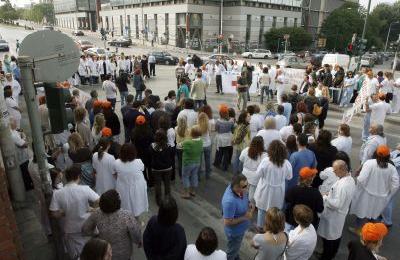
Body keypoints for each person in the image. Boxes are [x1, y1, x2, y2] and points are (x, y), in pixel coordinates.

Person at [49, 166, 100, 259]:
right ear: (78, 176)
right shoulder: (85, 189)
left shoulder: (58, 193)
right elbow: (99, 200)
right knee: (93, 250)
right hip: (87, 224)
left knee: (78, 254)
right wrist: (93, 209)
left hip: (71, 228)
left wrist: (66, 212)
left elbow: (54, 213)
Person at [349, 145, 399, 233]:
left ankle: (360, 231)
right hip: (381, 197)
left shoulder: (369, 163)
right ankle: (370, 232)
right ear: (388, 156)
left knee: (362, 213)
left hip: (366, 195)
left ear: (376, 154)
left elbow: (361, 179)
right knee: (373, 215)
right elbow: (396, 184)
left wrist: (359, 187)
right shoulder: (392, 168)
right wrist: (388, 193)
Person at [82, 189, 142, 260]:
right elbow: (135, 232)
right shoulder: (126, 215)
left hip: (104, 252)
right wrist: (138, 241)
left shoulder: (97, 213)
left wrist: (96, 234)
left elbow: (85, 229)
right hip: (124, 253)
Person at [317, 160, 355, 260]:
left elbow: (337, 204)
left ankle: (326, 257)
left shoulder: (343, 185)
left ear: (342, 169)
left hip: (334, 215)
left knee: (329, 238)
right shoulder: (349, 179)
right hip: (339, 214)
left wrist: (325, 197)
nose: (333, 172)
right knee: (336, 236)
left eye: (335, 170)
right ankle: (331, 254)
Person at [254, 140, 292, 231]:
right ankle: (271, 227)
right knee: (275, 210)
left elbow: (258, 174)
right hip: (278, 190)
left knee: (262, 210)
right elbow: (289, 177)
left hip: (265, 188)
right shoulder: (286, 163)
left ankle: (260, 226)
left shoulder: (266, 161)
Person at [221, 174, 254, 260]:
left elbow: (244, 196)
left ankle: (235, 256)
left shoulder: (240, 190)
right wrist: (245, 217)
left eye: (247, 184)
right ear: (236, 187)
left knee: (235, 248)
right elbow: (227, 222)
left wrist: (248, 202)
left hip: (240, 229)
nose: (247, 188)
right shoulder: (230, 201)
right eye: (245, 186)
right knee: (231, 252)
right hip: (235, 233)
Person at [114, 144, 148, 218]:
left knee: (125, 204)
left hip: (123, 186)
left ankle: (126, 221)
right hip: (137, 186)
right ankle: (136, 220)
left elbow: (115, 175)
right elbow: (143, 169)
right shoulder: (138, 162)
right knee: (137, 204)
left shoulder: (116, 163)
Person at [239, 136, 267, 204]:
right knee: (252, 193)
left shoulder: (246, 150)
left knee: (243, 189)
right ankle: (250, 205)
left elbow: (241, 159)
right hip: (255, 177)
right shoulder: (264, 155)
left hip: (245, 173)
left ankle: (241, 201)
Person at [149, 130, 174, 205]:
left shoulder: (152, 146)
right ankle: (168, 198)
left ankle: (158, 201)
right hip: (167, 168)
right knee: (167, 184)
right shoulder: (168, 146)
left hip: (156, 169)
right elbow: (171, 156)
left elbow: (150, 155)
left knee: (158, 185)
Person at [10, 117, 34, 191]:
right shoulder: (12, 135)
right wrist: (24, 138)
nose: (16, 123)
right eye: (15, 122)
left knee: (26, 171)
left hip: (23, 156)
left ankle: (30, 185)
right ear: (11, 124)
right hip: (21, 158)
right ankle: (29, 187)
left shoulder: (14, 131)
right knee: (25, 172)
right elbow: (24, 144)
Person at [181, 126, 203, 199]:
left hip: (188, 162)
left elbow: (182, 147)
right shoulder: (201, 141)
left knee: (185, 176)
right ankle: (193, 191)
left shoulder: (188, 142)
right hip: (197, 161)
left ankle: (186, 193)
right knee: (194, 175)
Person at [131, 115, 153, 185]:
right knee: (149, 166)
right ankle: (151, 181)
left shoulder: (134, 131)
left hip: (139, 152)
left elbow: (132, 141)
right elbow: (152, 140)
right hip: (148, 152)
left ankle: (144, 180)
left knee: (142, 168)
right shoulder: (149, 130)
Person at [213, 104, 234, 171]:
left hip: (221, 138)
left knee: (219, 152)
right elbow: (232, 129)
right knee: (226, 153)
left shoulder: (218, 121)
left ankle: (217, 163)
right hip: (229, 137)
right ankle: (225, 166)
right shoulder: (231, 121)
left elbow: (216, 129)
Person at [232, 111, 251, 175]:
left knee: (238, 159)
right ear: (244, 118)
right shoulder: (243, 126)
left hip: (243, 145)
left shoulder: (244, 125)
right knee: (239, 160)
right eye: (248, 116)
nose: (250, 117)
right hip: (241, 146)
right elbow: (238, 137)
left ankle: (237, 173)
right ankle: (237, 174)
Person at [196, 112, 213, 179]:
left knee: (199, 161)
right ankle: (207, 174)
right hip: (208, 144)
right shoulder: (208, 124)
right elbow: (210, 134)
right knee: (208, 160)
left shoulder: (197, 125)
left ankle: (198, 176)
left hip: (200, 144)